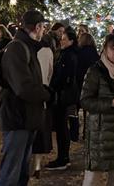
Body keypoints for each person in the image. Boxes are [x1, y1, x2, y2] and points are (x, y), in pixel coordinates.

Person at [0, 10, 52, 186]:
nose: (44, 31)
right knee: (11, 172)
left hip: (26, 118)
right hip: (18, 117)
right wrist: (46, 93)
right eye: (43, 27)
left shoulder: (25, 47)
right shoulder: (17, 48)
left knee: (20, 171)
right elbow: (23, 87)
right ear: (37, 27)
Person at [80, 33, 114, 186]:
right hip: (100, 132)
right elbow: (85, 101)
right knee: (93, 177)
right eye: (113, 49)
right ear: (105, 50)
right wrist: (110, 102)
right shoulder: (95, 71)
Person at [46, 27, 79, 170]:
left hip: (63, 96)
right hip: (64, 94)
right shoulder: (67, 54)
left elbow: (64, 76)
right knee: (62, 127)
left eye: (64, 39)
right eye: (61, 39)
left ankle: (63, 158)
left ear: (71, 41)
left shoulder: (68, 55)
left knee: (61, 127)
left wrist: (54, 85)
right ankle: (63, 157)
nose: (61, 41)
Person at [31, 22, 55, 178]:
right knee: (40, 129)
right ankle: (37, 165)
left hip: (32, 91)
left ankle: (30, 164)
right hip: (44, 90)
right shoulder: (48, 52)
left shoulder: (30, 49)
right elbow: (51, 72)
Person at [75, 32, 100, 142]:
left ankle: (78, 133)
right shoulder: (95, 53)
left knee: (78, 109)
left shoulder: (79, 52)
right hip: (93, 83)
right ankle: (89, 133)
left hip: (81, 82)